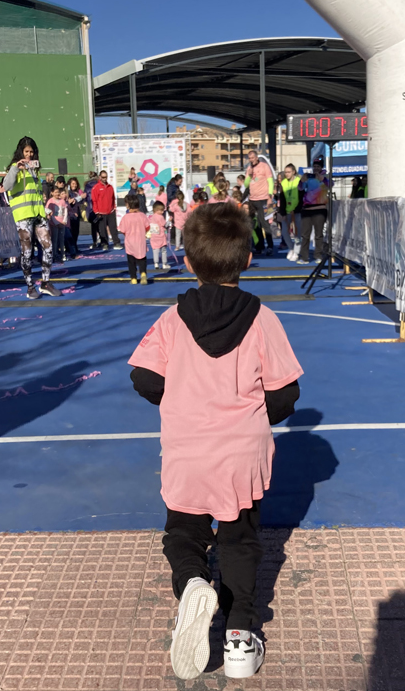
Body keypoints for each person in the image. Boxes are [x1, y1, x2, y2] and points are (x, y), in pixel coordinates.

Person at [128, 203, 303, 681]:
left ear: (187, 262)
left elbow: (144, 379)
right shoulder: (263, 319)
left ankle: (191, 585)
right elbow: (286, 392)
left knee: (183, 534)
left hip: (188, 451)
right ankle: (241, 637)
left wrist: (181, 403)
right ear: (247, 261)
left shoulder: (172, 320)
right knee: (240, 540)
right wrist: (250, 417)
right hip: (241, 455)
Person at [2, 137, 60, 299]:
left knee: (48, 248)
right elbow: (6, 187)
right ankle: (30, 286)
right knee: (27, 252)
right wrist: (16, 168)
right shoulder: (14, 168)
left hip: (38, 213)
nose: (29, 155)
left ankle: (46, 283)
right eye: (26, 152)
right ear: (21, 152)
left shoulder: (35, 170)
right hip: (23, 216)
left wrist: (44, 209)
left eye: (31, 152)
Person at [297, 159, 330, 266]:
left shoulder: (326, 177)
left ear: (321, 168)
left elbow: (331, 185)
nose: (316, 168)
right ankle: (304, 257)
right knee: (305, 234)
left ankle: (318, 255)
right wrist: (301, 181)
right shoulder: (309, 177)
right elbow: (300, 188)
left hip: (320, 208)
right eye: (314, 166)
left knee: (318, 234)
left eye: (318, 167)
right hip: (307, 209)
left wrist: (323, 179)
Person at [244, 150, 274, 255]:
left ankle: (270, 246)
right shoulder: (249, 168)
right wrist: (249, 175)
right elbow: (246, 184)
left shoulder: (264, 166)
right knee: (254, 224)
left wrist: (270, 196)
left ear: (256, 157)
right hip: (252, 199)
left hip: (264, 199)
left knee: (265, 223)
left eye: (252, 157)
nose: (251, 160)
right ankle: (259, 246)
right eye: (249, 158)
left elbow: (270, 181)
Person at [118, 195, 149, 284]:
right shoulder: (142, 216)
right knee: (142, 258)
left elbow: (122, 230)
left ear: (128, 205)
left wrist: (127, 234)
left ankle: (133, 278)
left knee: (131, 261)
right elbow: (147, 227)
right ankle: (143, 273)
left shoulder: (126, 217)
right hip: (140, 241)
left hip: (130, 242)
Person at [91, 170, 123, 250]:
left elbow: (113, 198)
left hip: (111, 211)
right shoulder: (96, 188)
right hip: (101, 212)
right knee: (102, 230)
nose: (105, 179)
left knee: (113, 228)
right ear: (100, 177)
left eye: (106, 177)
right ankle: (104, 244)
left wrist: (113, 208)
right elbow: (94, 201)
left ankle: (116, 243)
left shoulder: (110, 187)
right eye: (103, 177)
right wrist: (96, 212)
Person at [279, 164, 303, 261]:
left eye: (289, 172)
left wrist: (297, 208)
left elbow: (302, 197)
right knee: (285, 232)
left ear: (293, 172)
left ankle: (297, 252)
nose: (287, 174)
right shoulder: (284, 182)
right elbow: (282, 198)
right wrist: (283, 212)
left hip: (297, 211)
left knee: (297, 232)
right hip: (287, 211)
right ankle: (291, 248)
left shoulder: (298, 181)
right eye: (285, 172)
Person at [45, 186, 68, 263]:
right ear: (52, 193)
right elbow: (48, 212)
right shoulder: (50, 201)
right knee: (54, 240)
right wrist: (56, 222)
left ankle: (62, 254)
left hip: (62, 223)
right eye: (55, 192)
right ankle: (54, 255)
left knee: (61, 239)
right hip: (54, 224)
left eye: (58, 192)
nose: (57, 194)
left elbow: (65, 211)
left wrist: (64, 220)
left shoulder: (62, 201)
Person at [65, 178, 83, 259]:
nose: (74, 185)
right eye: (72, 184)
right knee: (70, 233)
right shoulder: (68, 193)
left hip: (77, 215)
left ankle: (74, 247)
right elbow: (68, 202)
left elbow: (81, 201)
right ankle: (70, 249)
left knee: (76, 233)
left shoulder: (77, 192)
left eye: (75, 184)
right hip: (70, 215)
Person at [149, 201, 169, 270]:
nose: (162, 212)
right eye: (161, 210)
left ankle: (156, 263)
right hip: (161, 235)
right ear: (157, 210)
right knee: (163, 250)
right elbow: (164, 224)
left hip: (154, 236)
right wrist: (169, 221)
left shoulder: (152, 216)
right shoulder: (160, 217)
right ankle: (164, 264)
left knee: (155, 250)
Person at [83, 171, 101, 248]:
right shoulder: (99, 184)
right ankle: (103, 241)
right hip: (99, 207)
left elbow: (85, 197)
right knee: (100, 225)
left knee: (93, 226)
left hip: (90, 208)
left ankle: (94, 242)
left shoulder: (86, 185)